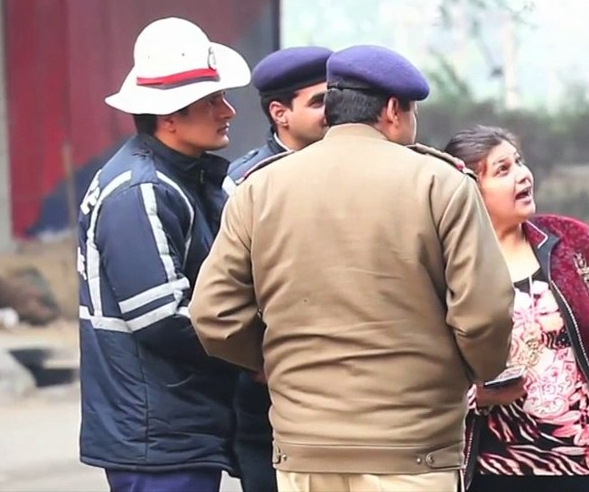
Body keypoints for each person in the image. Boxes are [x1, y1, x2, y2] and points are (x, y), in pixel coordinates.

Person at [190, 44, 516, 492]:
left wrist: (278, 360)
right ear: (393, 110)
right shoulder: (441, 183)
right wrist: (468, 371)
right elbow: (486, 314)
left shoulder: (259, 187)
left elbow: (212, 314)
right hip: (413, 448)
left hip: (305, 449)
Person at [77, 17, 251, 492]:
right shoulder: (141, 192)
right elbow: (162, 320)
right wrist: (257, 352)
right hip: (157, 433)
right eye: (212, 100)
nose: (228, 110)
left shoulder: (187, 178)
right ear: (169, 117)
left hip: (178, 422)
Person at [443, 125, 589, 492]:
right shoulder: (450, 267)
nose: (522, 175)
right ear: (470, 190)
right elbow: (424, 370)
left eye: (519, 162)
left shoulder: (571, 241)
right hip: (501, 471)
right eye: (503, 170)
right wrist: (478, 395)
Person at [225, 45, 332, 492]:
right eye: (319, 101)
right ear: (279, 113)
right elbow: (227, 289)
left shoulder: (355, 169)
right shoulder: (244, 183)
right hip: (271, 390)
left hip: (348, 380)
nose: (333, 112)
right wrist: (259, 358)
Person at [228, 45, 333, 182]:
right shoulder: (249, 181)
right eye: (319, 102)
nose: (332, 109)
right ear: (279, 113)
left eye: (335, 99)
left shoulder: (353, 161)